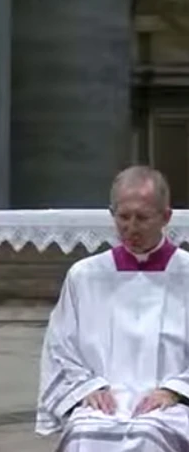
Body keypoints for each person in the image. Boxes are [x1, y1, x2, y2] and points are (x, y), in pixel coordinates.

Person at [36, 165, 189, 451]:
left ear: (166, 216)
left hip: (173, 404)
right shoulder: (86, 275)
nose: (131, 228)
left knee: (149, 434)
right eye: (123, 217)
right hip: (104, 400)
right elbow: (61, 347)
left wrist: (174, 390)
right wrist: (88, 388)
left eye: (142, 217)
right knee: (85, 433)